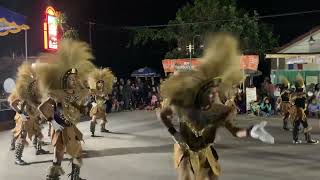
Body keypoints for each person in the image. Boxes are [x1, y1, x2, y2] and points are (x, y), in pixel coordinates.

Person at [157, 33, 274, 180]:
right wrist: (174, 133)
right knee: (185, 176)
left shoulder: (219, 111)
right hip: (185, 151)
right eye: (210, 93)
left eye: (215, 93)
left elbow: (235, 132)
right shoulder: (184, 105)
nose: (214, 96)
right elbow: (163, 114)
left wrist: (251, 132)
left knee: (213, 176)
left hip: (205, 151)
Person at [36, 39, 95, 180]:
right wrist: (52, 121)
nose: (74, 81)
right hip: (60, 129)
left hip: (72, 128)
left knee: (78, 153)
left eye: (76, 78)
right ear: (65, 80)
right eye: (71, 79)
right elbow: (41, 107)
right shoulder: (57, 94)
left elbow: (88, 93)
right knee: (58, 156)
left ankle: (75, 177)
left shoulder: (76, 93)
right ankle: (52, 178)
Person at [8, 62, 49, 166]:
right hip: (24, 117)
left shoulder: (37, 86)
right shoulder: (24, 88)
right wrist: (21, 114)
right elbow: (13, 103)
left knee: (37, 132)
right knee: (22, 136)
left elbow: (38, 101)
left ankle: (38, 149)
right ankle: (17, 158)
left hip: (33, 115)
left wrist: (40, 113)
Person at [289, 74, 318, 144]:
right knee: (305, 125)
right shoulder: (299, 94)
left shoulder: (295, 94)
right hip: (299, 111)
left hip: (298, 111)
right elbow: (293, 101)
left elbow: (305, 101)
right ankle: (308, 139)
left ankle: (296, 140)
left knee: (297, 125)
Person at [88, 68, 114, 137]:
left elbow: (107, 98)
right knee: (94, 117)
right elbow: (91, 98)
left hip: (102, 106)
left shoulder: (104, 91)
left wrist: (105, 98)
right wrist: (94, 103)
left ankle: (103, 128)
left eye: (102, 82)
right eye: (99, 82)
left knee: (104, 117)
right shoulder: (94, 90)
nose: (101, 84)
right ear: (97, 83)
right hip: (97, 106)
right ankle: (92, 132)